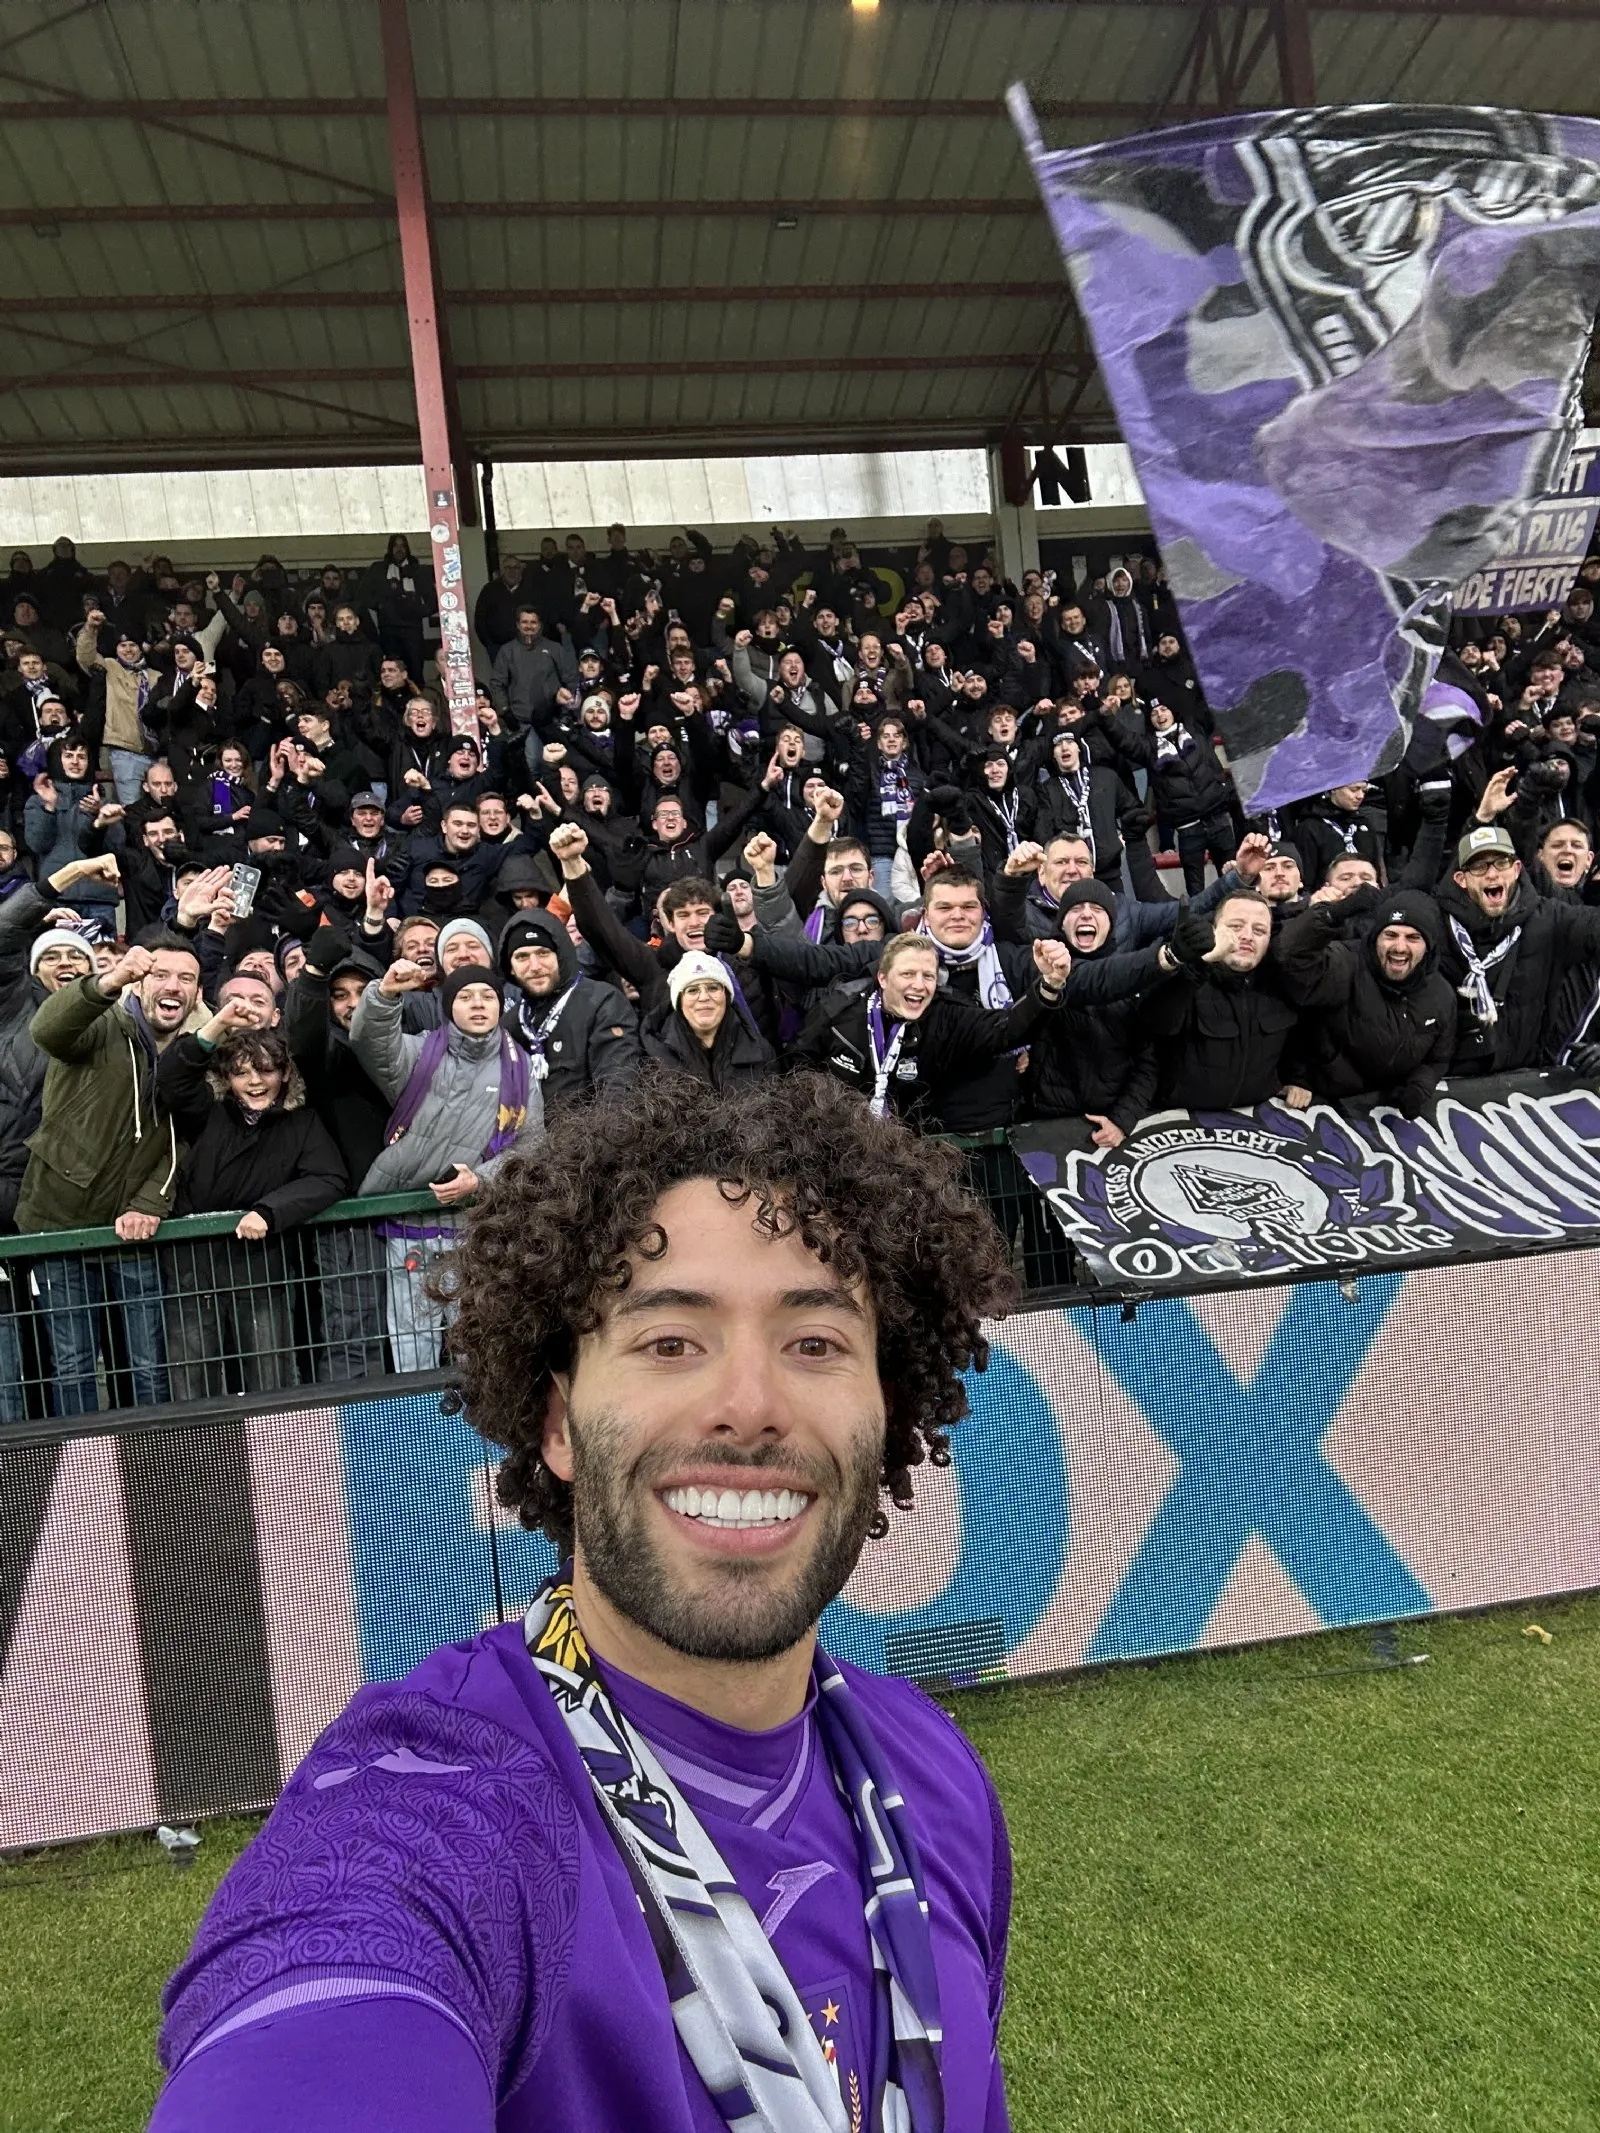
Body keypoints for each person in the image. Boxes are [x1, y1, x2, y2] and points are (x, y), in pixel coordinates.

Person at [155, 1075, 1017, 2132]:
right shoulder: (438, 1811)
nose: (749, 1407)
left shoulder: (935, 1778)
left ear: (887, 1412)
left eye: (816, 1343)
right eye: (669, 1342)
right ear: (558, 1425)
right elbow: (331, 1999)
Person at [18, 933, 202, 1413]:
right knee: (74, 1363)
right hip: (59, 1227)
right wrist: (110, 978)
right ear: (140, 984)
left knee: (148, 1364)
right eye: (161, 974)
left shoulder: (197, 1053)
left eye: (187, 978)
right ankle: (82, 1471)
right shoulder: (101, 1023)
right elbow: (48, 1030)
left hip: (132, 1230)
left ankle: (156, 1464)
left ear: (198, 993)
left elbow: (187, 1140)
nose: (174, 986)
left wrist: (149, 1203)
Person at [348, 957, 545, 1371]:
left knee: (475, 1345)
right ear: (448, 1005)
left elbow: (531, 1147)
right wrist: (384, 995)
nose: (478, 1004)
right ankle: (415, 1433)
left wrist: (482, 1180)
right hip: (409, 1225)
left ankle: (480, 1433)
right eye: (466, 996)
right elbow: (370, 1041)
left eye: (487, 996)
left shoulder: (522, 1069)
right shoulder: (420, 1052)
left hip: (475, 1230)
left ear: (500, 1005)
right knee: (411, 1346)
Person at [155, 997, 348, 1400]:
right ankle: (200, 1453)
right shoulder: (209, 1109)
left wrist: (269, 1211)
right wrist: (219, 1024)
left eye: (265, 1070)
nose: (256, 1082)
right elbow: (171, 1078)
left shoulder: (302, 1121)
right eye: (242, 1073)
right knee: (192, 1376)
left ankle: (274, 1453)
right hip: (193, 1261)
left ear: (284, 1073)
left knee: (269, 1373)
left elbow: (329, 1178)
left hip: (260, 1264)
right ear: (227, 1077)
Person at [794, 929, 1070, 1122]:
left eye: (928, 976)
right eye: (907, 974)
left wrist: (1050, 984)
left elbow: (1005, 1029)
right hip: (834, 1151)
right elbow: (796, 1070)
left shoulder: (944, 1015)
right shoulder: (839, 1012)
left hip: (904, 1158)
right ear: (883, 978)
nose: (918, 985)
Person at [1274, 889, 1457, 1116]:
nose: (1399, 947)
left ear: (1429, 946)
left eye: (1413, 938)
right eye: (1390, 935)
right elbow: (1291, 959)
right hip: (1320, 1104)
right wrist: (1333, 914)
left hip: (1380, 1117)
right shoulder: (1346, 964)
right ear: (1375, 938)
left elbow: (1438, 1059)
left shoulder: (1442, 994)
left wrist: (1419, 1088)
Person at [1138, 891, 1301, 1112]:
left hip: (1259, 1117)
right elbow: (1155, 1024)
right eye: (1236, 926)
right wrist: (1197, 966)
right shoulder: (1183, 975)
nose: (1247, 936)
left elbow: (1305, 1038)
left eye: (1259, 930)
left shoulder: (1283, 980)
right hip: (1178, 1116)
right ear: (1213, 928)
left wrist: (1300, 1078)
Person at [499, 909, 639, 1108]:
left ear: (561, 955)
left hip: (594, 1134)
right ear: (510, 967)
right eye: (522, 957)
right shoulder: (511, 1022)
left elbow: (619, 1084)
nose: (535, 965)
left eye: (543, 953)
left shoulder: (602, 1001)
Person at [640, 948, 777, 1088]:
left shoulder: (761, 1051)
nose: (704, 997)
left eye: (713, 988)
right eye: (693, 990)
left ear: (726, 995)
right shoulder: (652, 1056)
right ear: (679, 1001)